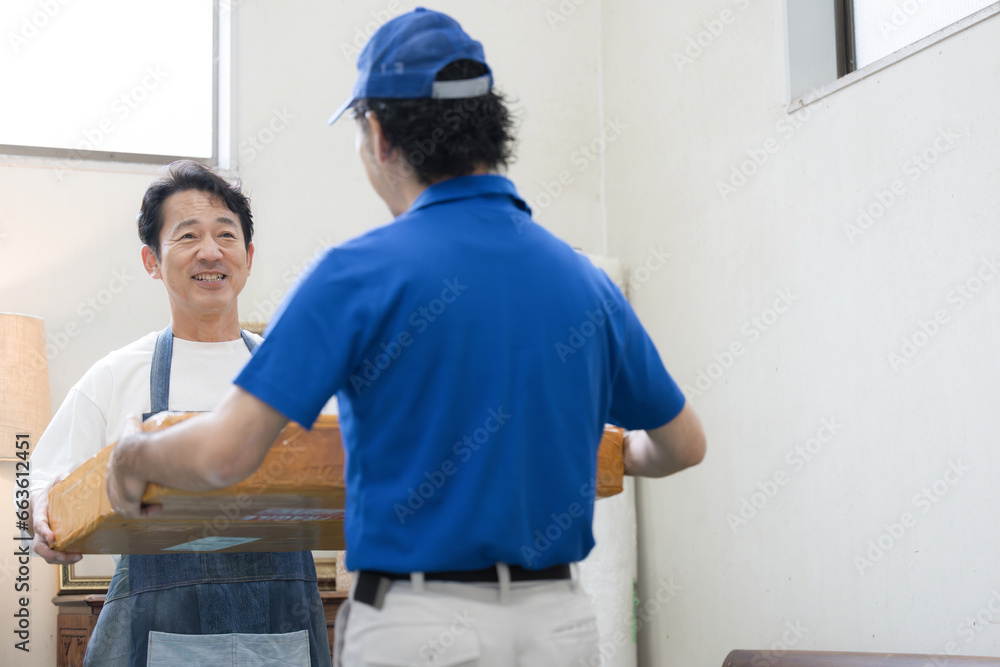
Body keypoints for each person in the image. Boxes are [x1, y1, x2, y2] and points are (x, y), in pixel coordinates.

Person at [106, 8, 706, 667]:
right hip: (559, 627)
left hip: (419, 627)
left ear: (379, 135)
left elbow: (225, 454)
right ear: (491, 128)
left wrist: (135, 453)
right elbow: (683, 445)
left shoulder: (357, 274)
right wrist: (611, 451)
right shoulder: (583, 281)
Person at [30, 160, 331, 667]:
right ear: (151, 260)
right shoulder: (116, 374)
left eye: (226, 235)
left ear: (248, 256)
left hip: (286, 639)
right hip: (152, 638)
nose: (210, 252)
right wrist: (42, 517)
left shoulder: (298, 373)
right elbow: (43, 484)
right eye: (188, 235)